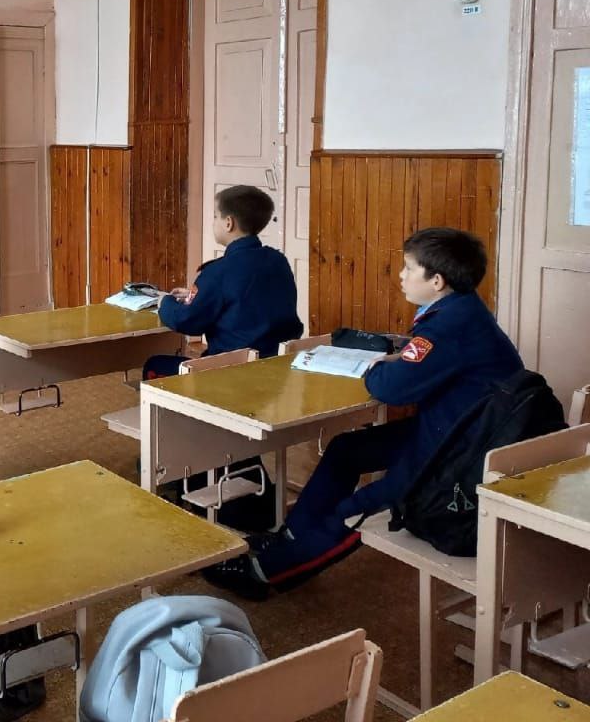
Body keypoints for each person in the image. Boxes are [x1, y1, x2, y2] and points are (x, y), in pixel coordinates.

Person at [206, 227, 524, 599]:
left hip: (459, 452)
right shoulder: (461, 308)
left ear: (437, 281)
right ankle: (291, 536)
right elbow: (419, 369)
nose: (401, 275)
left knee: (361, 509)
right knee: (347, 449)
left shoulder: (447, 325)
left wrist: (375, 367)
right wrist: (397, 363)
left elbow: (390, 388)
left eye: (409, 268)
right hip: (451, 427)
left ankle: (267, 573)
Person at [143, 185, 303, 380]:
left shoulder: (217, 272)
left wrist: (165, 302)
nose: (213, 222)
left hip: (230, 375)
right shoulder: (278, 261)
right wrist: (198, 295)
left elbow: (187, 321)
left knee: (154, 365)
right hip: (278, 370)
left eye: (215, 216)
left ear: (228, 223)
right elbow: (248, 299)